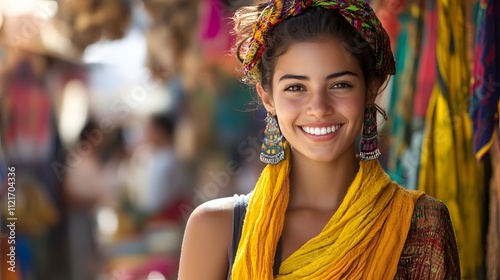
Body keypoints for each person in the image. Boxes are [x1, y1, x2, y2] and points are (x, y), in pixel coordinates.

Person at [178, 0, 460, 279]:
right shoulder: (215, 230)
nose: (319, 107)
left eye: (340, 85)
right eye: (296, 87)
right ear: (267, 98)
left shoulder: (420, 224)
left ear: (371, 90)